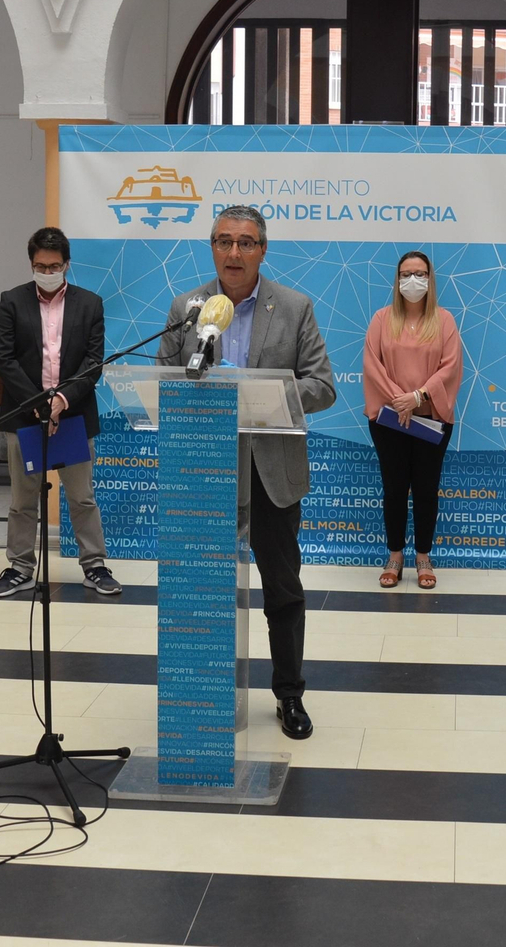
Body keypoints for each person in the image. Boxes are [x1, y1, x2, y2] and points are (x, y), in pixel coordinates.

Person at [157, 205, 336, 740]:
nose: (233, 252)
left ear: (263, 250)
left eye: (246, 242)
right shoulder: (187, 307)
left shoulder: (294, 307)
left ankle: (289, 695)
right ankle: (205, 691)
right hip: (203, 466)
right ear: (211, 247)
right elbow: (163, 378)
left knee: (282, 589)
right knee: (204, 587)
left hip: (270, 470)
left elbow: (322, 386)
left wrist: (260, 393)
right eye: (224, 241)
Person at [0, 227, 122, 598]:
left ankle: (94, 565)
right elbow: (4, 359)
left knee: (82, 497)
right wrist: (38, 403)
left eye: (54, 266)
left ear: (67, 264)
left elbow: (93, 362)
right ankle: (20, 567)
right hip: (24, 414)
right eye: (40, 266)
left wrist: (62, 400)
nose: (47, 272)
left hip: (73, 414)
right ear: (31, 264)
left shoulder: (90, 304)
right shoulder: (12, 301)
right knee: (22, 499)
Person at [362, 250, 464, 589]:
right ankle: (395, 555)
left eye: (420, 274)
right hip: (389, 420)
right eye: (405, 274)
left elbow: (450, 366)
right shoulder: (381, 319)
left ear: (430, 280)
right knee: (394, 489)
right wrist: (399, 399)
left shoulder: (444, 320)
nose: (412, 280)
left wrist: (418, 397)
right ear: (396, 280)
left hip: (431, 419)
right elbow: (372, 364)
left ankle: (423, 556)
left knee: (425, 489)